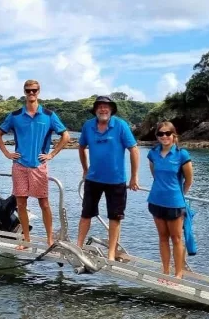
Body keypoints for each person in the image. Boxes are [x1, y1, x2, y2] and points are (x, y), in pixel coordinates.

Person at [0, 79, 70, 248]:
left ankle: (50, 239)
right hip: (19, 165)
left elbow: (65, 136)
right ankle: (26, 240)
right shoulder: (15, 116)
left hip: (38, 166)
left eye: (34, 90)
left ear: (39, 91)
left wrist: (51, 154)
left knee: (44, 203)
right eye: (28, 90)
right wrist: (7, 153)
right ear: (24, 91)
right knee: (21, 203)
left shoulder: (49, 115)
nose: (31, 93)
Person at [76, 96, 140, 261]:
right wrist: (85, 168)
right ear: (95, 110)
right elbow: (81, 146)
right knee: (86, 214)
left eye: (106, 107)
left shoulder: (120, 125)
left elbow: (133, 149)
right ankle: (78, 246)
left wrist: (134, 177)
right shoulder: (88, 126)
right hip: (93, 179)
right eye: (100, 107)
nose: (103, 110)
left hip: (116, 181)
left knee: (114, 217)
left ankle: (111, 253)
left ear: (111, 110)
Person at [146, 121, 193, 282]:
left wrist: (178, 195)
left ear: (174, 135)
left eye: (167, 133)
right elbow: (155, 175)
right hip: (156, 200)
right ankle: (165, 271)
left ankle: (178, 274)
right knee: (163, 237)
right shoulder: (153, 153)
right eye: (160, 134)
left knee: (177, 238)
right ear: (157, 136)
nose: (164, 136)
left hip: (175, 203)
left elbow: (188, 181)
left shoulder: (182, 154)